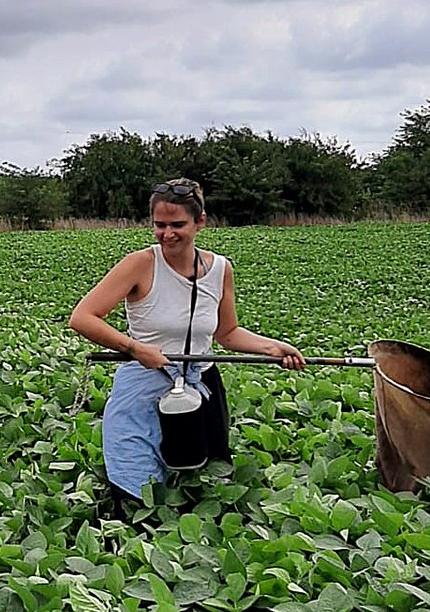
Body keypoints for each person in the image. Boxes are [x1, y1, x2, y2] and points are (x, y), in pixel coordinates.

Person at [68, 179, 305, 503]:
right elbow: (82, 317)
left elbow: (227, 333)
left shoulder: (220, 269)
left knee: (201, 488)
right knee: (137, 491)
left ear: (200, 222)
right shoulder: (139, 264)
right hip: (143, 386)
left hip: (200, 386)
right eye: (159, 225)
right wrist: (135, 349)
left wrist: (272, 347)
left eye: (177, 224)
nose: (167, 234)